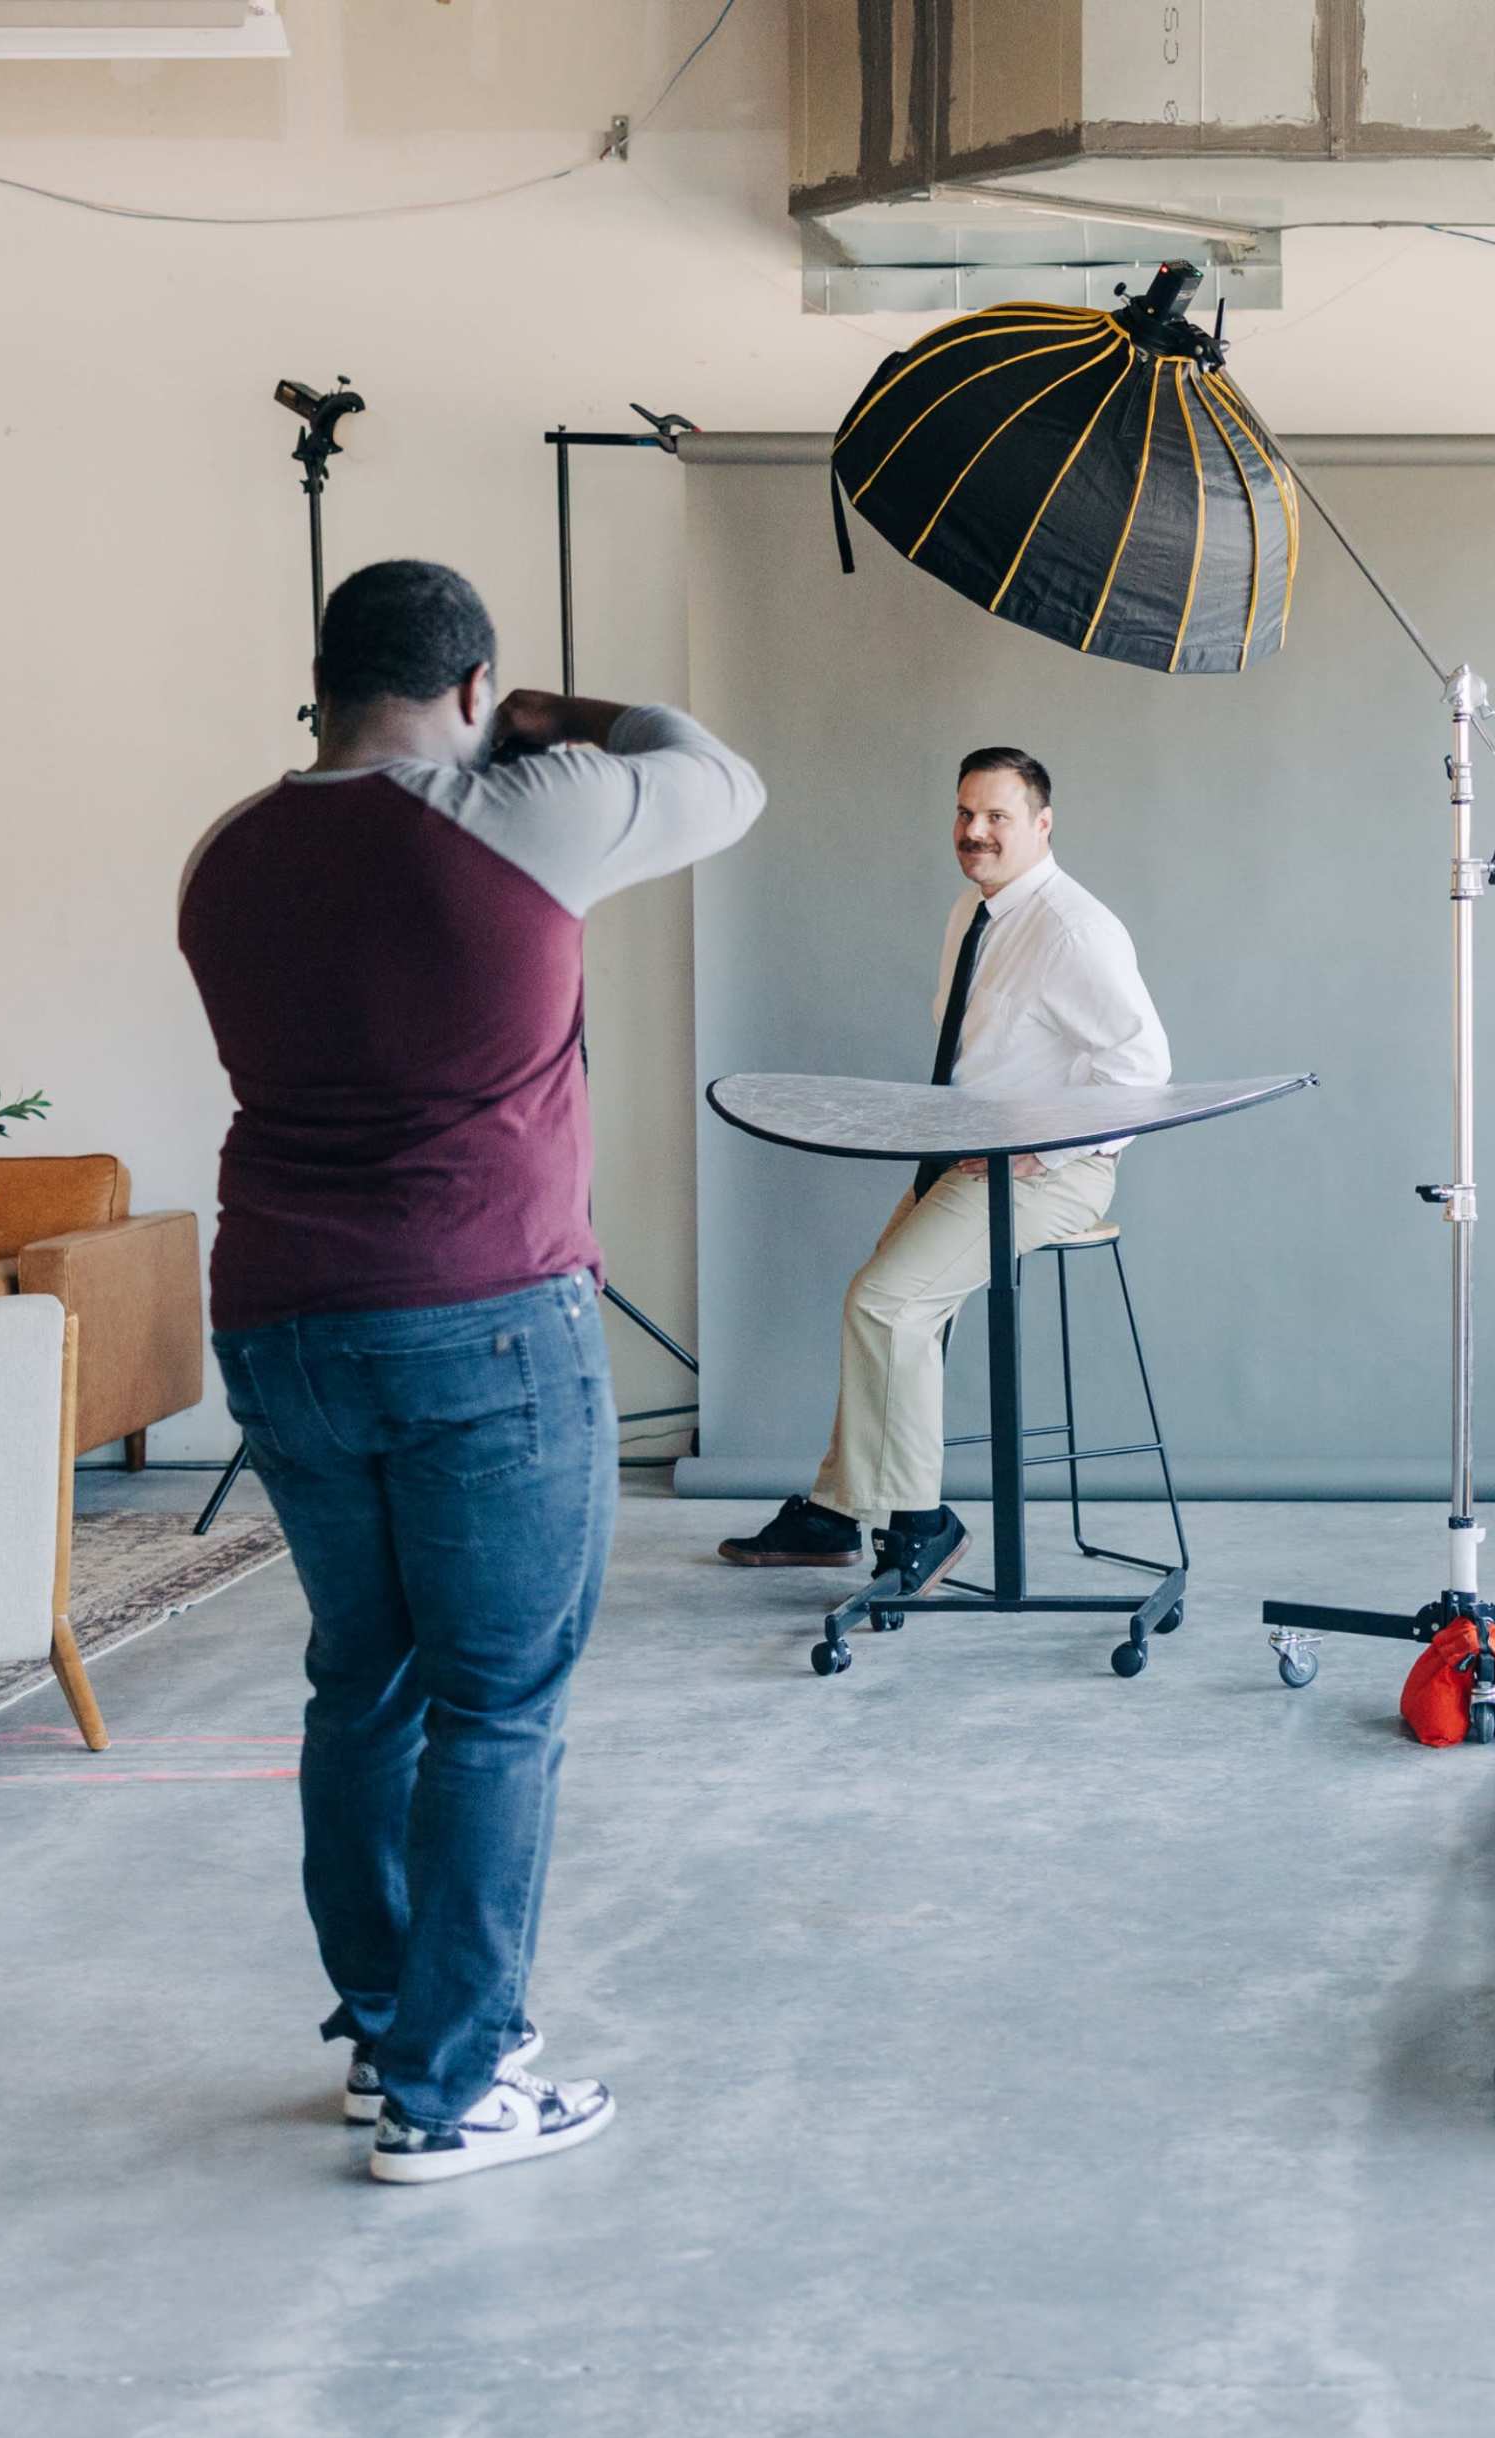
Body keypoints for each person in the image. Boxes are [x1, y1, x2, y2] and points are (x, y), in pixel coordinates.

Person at [179, 558, 765, 2185]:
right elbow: (721, 774)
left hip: (279, 1317)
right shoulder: (526, 808)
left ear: (323, 682)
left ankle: (385, 2046)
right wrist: (550, 717)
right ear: (469, 692)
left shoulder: (222, 858)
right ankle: (454, 2089)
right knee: (496, 1706)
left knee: (360, 1677)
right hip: (484, 1315)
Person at [720, 747, 1168, 1585]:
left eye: (997, 816)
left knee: (885, 1305)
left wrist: (1048, 1150)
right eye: (965, 814)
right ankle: (842, 1509)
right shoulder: (976, 911)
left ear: (1042, 824)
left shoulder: (1073, 928)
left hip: (1045, 1175)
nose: (975, 832)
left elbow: (1143, 1072)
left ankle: (921, 1520)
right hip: (965, 1158)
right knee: (878, 1304)